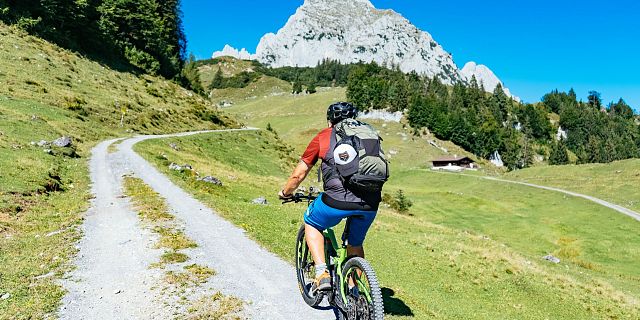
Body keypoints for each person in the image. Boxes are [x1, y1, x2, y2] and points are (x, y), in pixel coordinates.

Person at [278, 102, 382, 293]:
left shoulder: (324, 136)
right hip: (370, 202)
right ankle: (354, 291)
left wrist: (286, 193)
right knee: (355, 243)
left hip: (336, 200)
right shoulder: (368, 135)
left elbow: (298, 175)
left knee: (312, 221)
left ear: (330, 121)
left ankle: (321, 274)